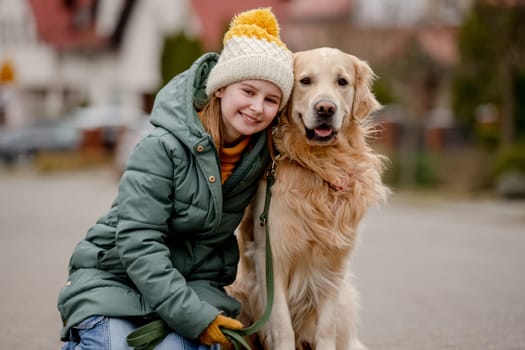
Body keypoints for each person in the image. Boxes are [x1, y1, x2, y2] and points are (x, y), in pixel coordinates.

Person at [57, 7, 293, 350]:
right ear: (221, 88)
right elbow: (138, 243)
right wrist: (194, 318)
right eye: (248, 91)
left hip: (194, 285)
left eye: (271, 99)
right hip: (116, 279)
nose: (258, 107)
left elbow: (310, 174)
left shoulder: (261, 158)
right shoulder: (161, 148)